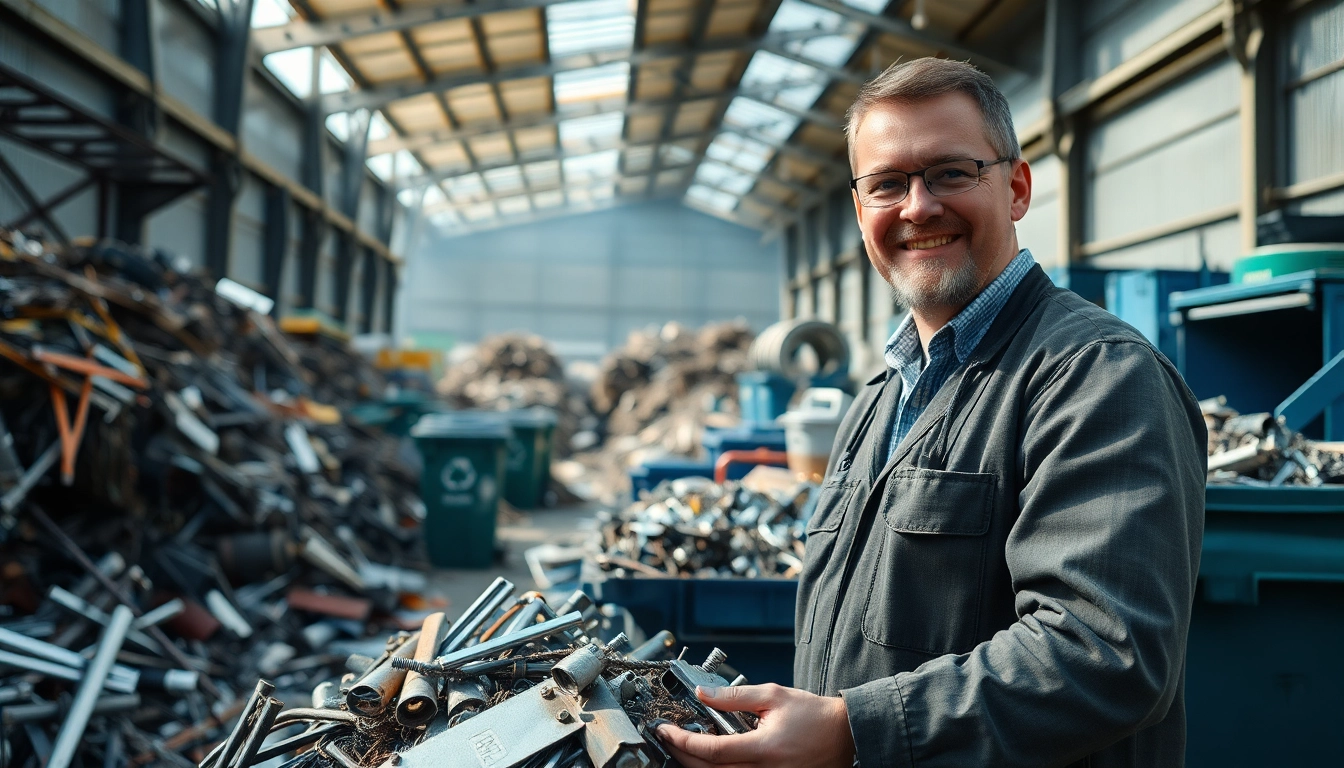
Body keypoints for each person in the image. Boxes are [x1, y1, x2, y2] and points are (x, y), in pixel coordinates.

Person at [655, 57, 1206, 768]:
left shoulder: (1095, 375)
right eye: (887, 184)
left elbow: (1104, 653)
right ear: (861, 211)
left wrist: (854, 731)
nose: (917, 207)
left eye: (950, 173)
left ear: (1016, 188)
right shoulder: (876, 401)